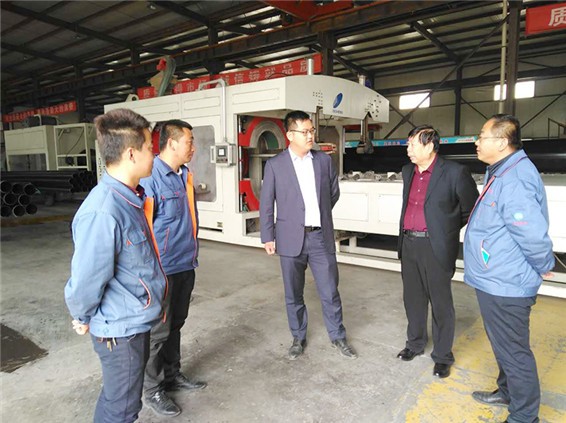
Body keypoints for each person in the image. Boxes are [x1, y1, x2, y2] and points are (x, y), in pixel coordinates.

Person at [64, 108, 167, 423]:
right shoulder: (104, 210)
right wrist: (82, 315)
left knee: (118, 399)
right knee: (121, 409)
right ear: (132, 154)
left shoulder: (129, 198)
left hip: (132, 322)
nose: (154, 154)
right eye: (150, 147)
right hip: (120, 332)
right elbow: (86, 279)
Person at [464, 114, 554, 423]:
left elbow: (531, 232)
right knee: (503, 346)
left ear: (502, 142)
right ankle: (507, 392)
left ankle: (524, 416)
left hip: (507, 282)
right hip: (496, 277)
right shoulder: (502, 170)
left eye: (482, 136)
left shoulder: (515, 178)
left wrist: (544, 264)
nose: (477, 142)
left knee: (514, 353)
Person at [259, 110, 357, 360]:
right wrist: (268, 236)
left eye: (312, 131)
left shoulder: (323, 161)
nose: (310, 136)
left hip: (320, 237)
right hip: (289, 238)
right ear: (290, 135)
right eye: (305, 132)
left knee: (330, 290)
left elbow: (333, 193)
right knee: (293, 293)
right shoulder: (275, 165)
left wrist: (318, 214)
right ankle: (298, 337)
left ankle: (338, 336)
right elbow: (267, 202)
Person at [396, 125, 478, 379]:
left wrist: (444, 229)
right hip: (409, 243)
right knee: (413, 298)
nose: (408, 149)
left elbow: (471, 209)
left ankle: (442, 356)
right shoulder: (408, 171)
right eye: (408, 144)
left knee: (440, 302)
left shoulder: (454, 172)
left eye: (412, 144)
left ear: (430, 146)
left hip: (436, 246)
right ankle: (415, 344)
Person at [140, 119, 207, 417]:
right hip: (162, 269)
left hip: (185, 263)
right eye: (189, 141)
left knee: (176, 323)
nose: (193, 147)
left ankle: (171, 374)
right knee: (157, 332)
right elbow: (143, 228)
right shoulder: (150, 177)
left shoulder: (185, 175)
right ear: (172, 142)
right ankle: (152, 389)